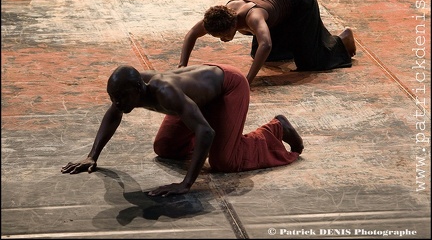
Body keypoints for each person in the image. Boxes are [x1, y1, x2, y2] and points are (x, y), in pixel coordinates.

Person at [61, 63, 304, 196]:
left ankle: (277, 128)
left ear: (138, 88)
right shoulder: (128, 90)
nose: (118, 103)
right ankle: (218, 133)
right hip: (197, 97)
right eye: (113, 98)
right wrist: (92, 155)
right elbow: (113, 113)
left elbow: (206, 132)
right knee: (165, 147)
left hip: (228, 87)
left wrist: (185, 184)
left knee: (224, 162)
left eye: (122, 98)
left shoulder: (164, 93)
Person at [178, 0, 357, 84]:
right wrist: (182, 66)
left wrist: (248, 80)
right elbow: (193, 33)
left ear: (233, 25)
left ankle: (343, 39)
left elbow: (267, 44)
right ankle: (299, 42)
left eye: (224, 36)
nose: (223, 40)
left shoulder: (253, 17)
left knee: (312, 62)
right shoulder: (221, 14)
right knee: (265, 56)